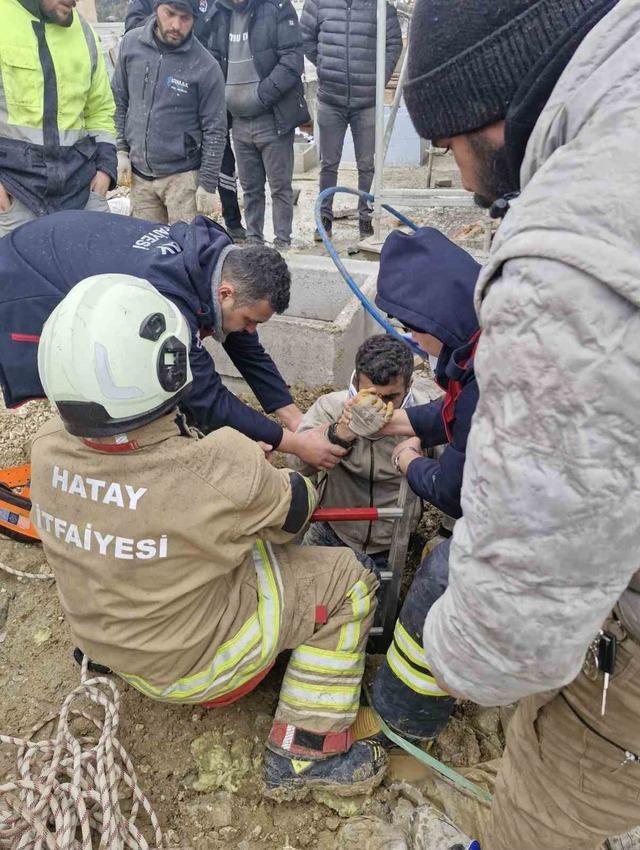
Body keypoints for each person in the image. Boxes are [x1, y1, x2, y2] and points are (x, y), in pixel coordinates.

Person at [386, 1, 640, 849]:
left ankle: (408, 723)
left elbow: (511, 608)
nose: (464, 179)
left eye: (449, 146)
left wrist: (413, 465)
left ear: (492, 114)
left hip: (609, 639)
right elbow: (465, 414)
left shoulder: (568, 260)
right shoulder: (471, 351)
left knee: (549, 805)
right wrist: (411, 422)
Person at [30, 275, 386, 797]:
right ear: (173, 368)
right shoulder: (218, 465)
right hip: (195, 670)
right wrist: (264, 473)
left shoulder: (45, 449)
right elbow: (295, 516)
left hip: (105, 641)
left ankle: (102, 659)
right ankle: (306, 753)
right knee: (348, 582)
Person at [0, 211, 343, 469]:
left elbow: (244, 345)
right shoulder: (168, 300)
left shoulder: (214, 260)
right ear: (226, 293)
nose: (252, 330)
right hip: (30, 278)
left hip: (63, 241)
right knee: (81, 376)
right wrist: (295, 445)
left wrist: (294, 420)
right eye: (251, 321)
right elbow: (205, 396)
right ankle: (79, 464)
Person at [294, 335, 430, 577]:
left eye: (390, 398)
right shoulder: (330, 407)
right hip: (332, 529)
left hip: (392, 541)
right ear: (356, 381)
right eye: (370, 395)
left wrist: (446, 533)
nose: (379, 406)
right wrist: (339, 433)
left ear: (409, 386)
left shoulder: (426, 415)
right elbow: (297, 464)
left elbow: (459, 472)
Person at [375, 227, 481, 520]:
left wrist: (406, 459)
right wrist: (392, 422)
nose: (414, 339)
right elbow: (456, 409)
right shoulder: (484, 334)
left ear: (434, 321)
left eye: (411, 329)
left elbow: (453, 493)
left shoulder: (486, 377)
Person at [122, 0, 248, 241]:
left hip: (183, 178)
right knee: (146, 250)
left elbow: (215, 129)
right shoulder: (131, 46)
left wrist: (207, 184)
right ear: (157, 9)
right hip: (140, 178)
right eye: (169, 14)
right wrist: (120, 150)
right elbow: (120, 99)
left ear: (195, 19)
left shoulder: (205, 66)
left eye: (185, 18)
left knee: (187, 249)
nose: (176, 25)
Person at [0, 0, 116, 236]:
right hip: (15, 196)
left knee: (102, 258)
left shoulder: (84, 34)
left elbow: (100, 108)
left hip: (81, 192)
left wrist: (105, 168)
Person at [206, 0, 310, 250]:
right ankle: (254, 243)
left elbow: (292, 60)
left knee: (279, 187)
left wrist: (261, 95)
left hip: (272, 118)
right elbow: (212, 61)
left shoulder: (276, 8)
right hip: (238, 122)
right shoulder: (219, 13)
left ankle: (282, 243)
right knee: (250, 189)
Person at [300, 0, 401, 241]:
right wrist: (325, 66)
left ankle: (366, 218)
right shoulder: (318, 3)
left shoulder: (379, 4)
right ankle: (324, 218)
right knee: (328, 163)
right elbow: (305, 38)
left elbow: (393, 43)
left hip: (366, 101)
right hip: (331, 99)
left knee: (366, 165)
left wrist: (379, 77)